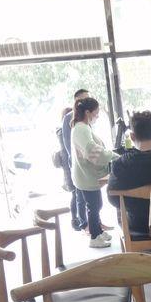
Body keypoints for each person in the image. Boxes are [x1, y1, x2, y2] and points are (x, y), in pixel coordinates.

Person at [71, 97, 119, 248]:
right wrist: (114, 156)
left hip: (85, 175)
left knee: (96, 205)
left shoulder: (82, 127)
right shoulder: (81, 128)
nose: (97, 116)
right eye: (96, 113)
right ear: (87, 112)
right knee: (94, 206)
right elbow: (92, 151)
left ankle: (98, 231)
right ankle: (94, 237)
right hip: (86, 176)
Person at [62, 89, 88, 231]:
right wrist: (77, 161)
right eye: (84, 99)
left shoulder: (86, 116)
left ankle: (93, 223)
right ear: (77, 100)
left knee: (90, 195)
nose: (87, 101)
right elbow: (68, 144)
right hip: (76, 162)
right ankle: (81, 223)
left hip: (87, 162)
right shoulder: (69, 118)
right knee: (78, 194)